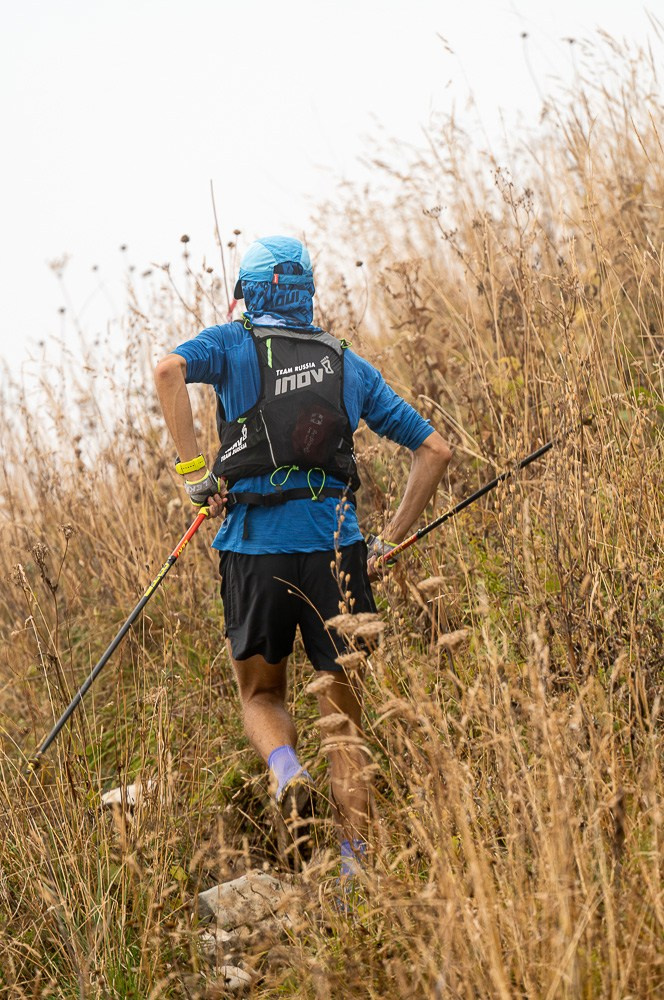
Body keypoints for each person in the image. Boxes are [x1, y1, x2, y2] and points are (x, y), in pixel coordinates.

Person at [154, 235, 452, 879]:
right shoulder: (347, 364)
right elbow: (434, 451)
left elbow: (166, 370)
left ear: (249, 292)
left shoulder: (233, 344)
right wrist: (391, 540)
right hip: (338, 553)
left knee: (261, 693)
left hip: (253, 550)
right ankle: (354, 875)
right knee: (343, 725)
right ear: (306, 294)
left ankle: (287, 771)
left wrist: (193, 473)